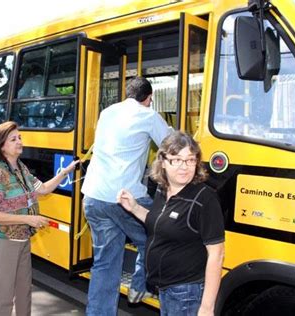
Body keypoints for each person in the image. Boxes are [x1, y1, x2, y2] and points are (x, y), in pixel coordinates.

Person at [81, 76, 172, 315]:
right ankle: (140, 285)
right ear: (149, 98)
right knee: (158, 235)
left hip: (93, 196)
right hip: (123, 198)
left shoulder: (107, 112)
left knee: (105, 263)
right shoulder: (148, 115)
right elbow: (172, 144)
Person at [117, 131, 225, 316]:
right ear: (163, 162)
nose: (184, 167)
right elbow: (159, 222)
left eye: (190, 160)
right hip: (165, 290)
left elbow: (217, 254)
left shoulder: (204, 198)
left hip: (186, 294)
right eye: (176, 159)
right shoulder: (163, 189)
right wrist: (134, 207)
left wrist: (207, 307)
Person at [0, 121, 78, 316]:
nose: (19, 142)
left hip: (23, 240)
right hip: (4, 243)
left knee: (24, 294)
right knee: (3, 299)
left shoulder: (21, 169)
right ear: (1, 146)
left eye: (20, 137)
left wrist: (65, 172)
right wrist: (28, 220)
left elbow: (43, 189)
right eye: (13, 139)